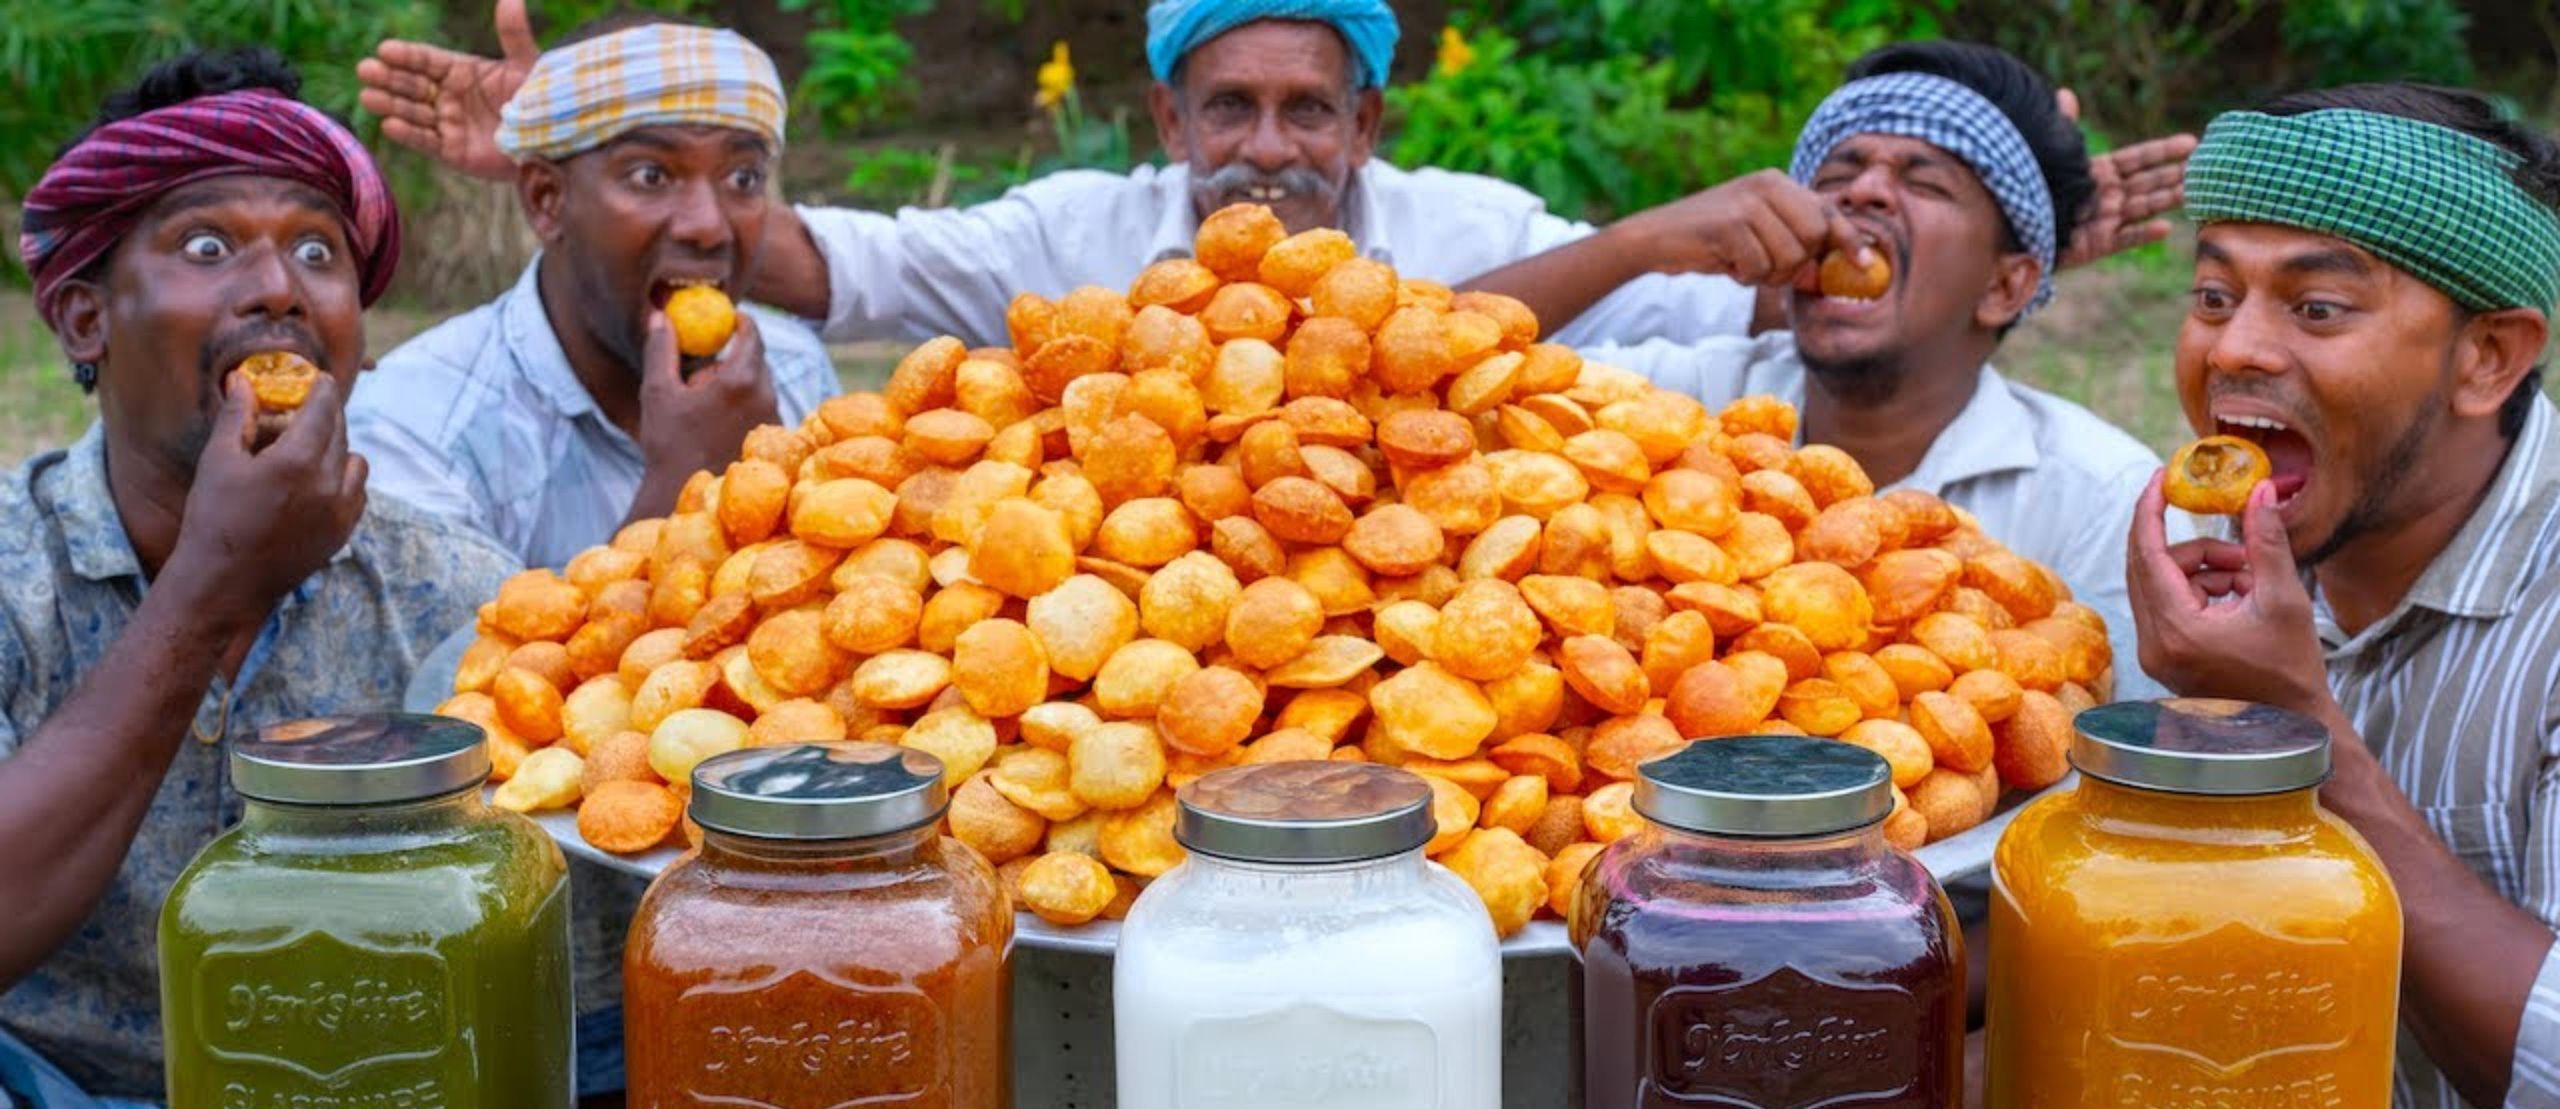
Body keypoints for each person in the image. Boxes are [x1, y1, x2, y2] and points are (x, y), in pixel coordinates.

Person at [357, 1, 2187, 352]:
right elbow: (825, 264)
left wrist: (1992, 241)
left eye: (1309, 112)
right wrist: (596, 159)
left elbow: (1766, 321)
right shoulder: (1071, 240)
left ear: (1367, 126)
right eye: (1226, 108)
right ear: (1168, 124)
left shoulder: (1481, 235)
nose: (1267, 150)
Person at [0, 50, 515, 1109]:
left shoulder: (457, 597)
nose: (279, 288)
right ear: (85, 316)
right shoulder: (11, 572)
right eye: (206, 247)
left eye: (319, 253)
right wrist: (209, 595)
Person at [2125, 84, 2560, 1109]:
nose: (2236, 350)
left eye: (2316, 309)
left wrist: (2300, 732)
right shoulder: (2225, 581)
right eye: (2213, 295)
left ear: (2489, 357)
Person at [1471, 41, 2171, 690]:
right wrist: (1640, 242)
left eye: (1926, 183)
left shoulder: (2101, 498)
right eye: (1835, 175)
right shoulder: (1679, 400)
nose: (1862, 192)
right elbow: (1446, 363)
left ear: (2005, 285)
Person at [347, 18, 837, 570]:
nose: (708, 226)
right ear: (547, 200)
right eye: (651, 175)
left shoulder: (796, 371)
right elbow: (462, 634)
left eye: (743, 178)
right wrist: (687, 479)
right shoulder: (416, 432)